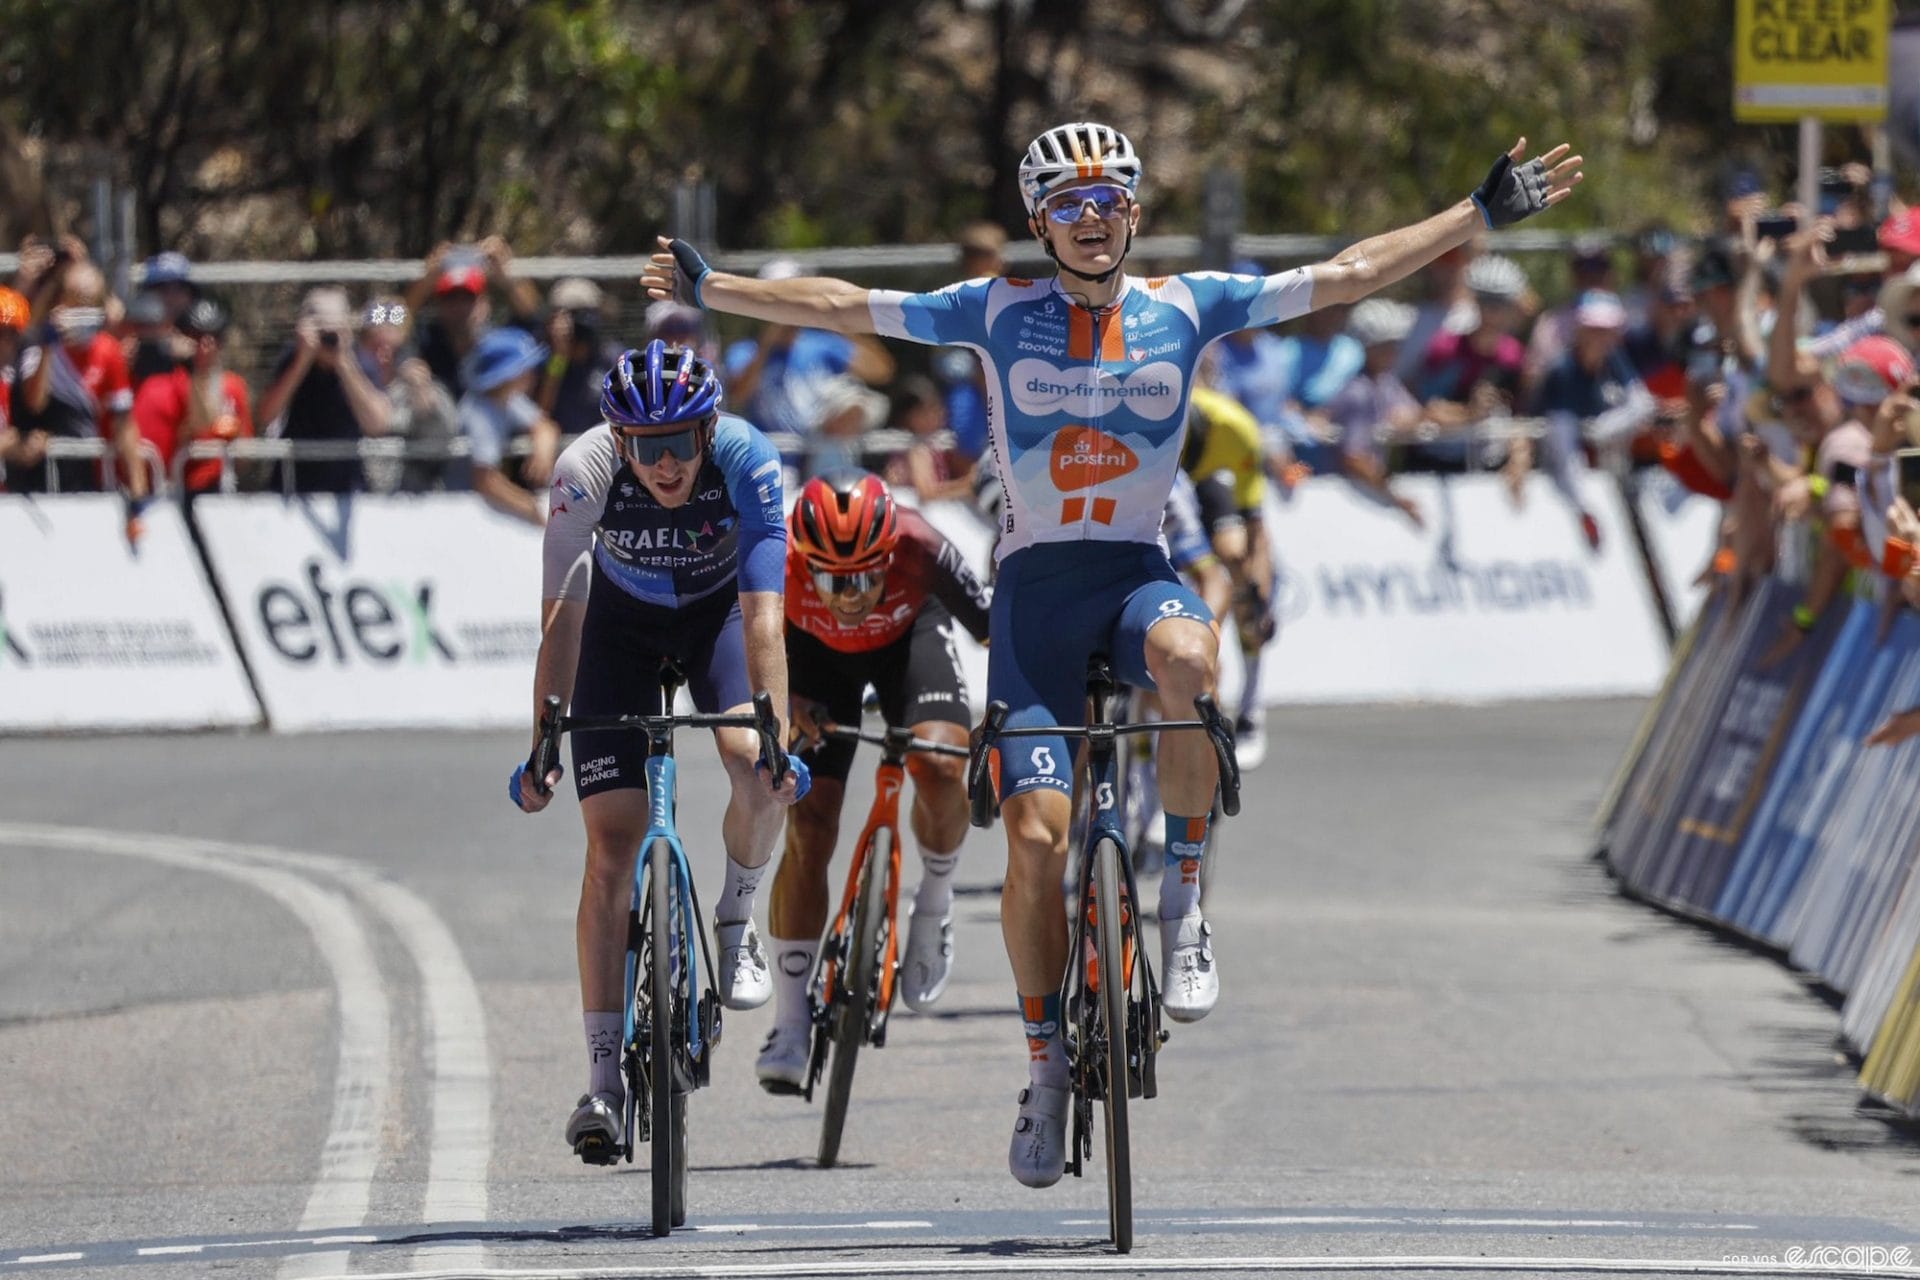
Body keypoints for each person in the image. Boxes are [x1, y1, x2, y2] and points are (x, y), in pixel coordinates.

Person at [643, 121, 1582, 1188]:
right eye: (1069, 205)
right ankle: (1043, 1071)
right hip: (1038, 597)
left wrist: (1476, 214)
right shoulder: (994, 311)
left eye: (1110, 201)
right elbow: (842, 306)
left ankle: (1183, 909)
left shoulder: (1186, 307)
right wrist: (715, 289)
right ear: (1040, 222)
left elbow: (1346, 274)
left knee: (1190, 657)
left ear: (1133, 211)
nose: (1092, 220)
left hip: (1137, 571)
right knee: (1037, 847)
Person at [511, 340, 809, 1164]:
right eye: (646, 446)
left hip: (717, 618)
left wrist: (777, 735)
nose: (666, 462)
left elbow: (763, 619)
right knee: (611, 846)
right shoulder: (584, 468)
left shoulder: (748, 458)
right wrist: (544, 741)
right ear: (619, 439)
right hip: (619, 627)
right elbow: (563, 618)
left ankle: (737, 916)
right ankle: (603, 1078)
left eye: (681, 442)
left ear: (710, 429)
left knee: (754, 767)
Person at [756, 471, 992, 1093]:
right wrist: (781, 699)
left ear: (891, 552)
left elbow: (996, 628)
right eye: (833, 579)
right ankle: (789, 1018)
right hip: (812, 659)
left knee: (942, 766)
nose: (851, 594)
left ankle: (934, 902)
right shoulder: (771, 555)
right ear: (805, 562)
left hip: (909, 637)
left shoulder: (920, 542)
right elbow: (735, 648)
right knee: (809, 822)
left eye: (865, 575)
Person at [1180, 385, 1280, 765]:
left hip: (1209, 481)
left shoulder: (1235, 428)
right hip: (1159, 481)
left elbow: (1255, 525)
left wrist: (1258, 593)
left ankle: (1251, 709)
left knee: (1236, 558)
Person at [11, 256, 146, 524]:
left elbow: (124, 423)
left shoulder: (108, 352)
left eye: (90, 302)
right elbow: (34, 403)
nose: (82, 310)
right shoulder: (37, 348)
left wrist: (138, 490)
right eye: (75, 300)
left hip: (90, 477)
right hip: (41, 480)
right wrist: (48, 347)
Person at [254, 287, 392, 493]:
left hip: (347, 484)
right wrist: (302, 361)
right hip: (293, 484)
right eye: (323, 329)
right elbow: (265, 416)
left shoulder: (361, 361)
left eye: (334, 328)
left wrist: (343, 363)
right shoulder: (293, 358)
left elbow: (378, 424)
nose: (328, 337)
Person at [130, 297, 252, 494]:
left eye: (215, 336)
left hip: (215, 486)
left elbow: (244, 454)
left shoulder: (233, 386)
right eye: (196, 336)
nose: (206, 344)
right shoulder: (165, 380)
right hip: (170, 484)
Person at [1327, 298, 1425, 526]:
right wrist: (1397, 497)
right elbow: (1354, 458)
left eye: (1396, 344)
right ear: (1368, 347)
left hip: (1367, 491)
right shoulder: (1358, 392)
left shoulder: (1386, 382)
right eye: (1386, 345)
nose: (1393, 352)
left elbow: (1416, 415)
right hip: (1347, 501)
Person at [457, 326, 561, 526]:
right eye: (525, 367)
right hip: (461, 509)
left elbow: (544, 425)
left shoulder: (509, 400)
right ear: (507, 375)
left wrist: (543, 450)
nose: (532, 374)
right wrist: (534, 510)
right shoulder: (478, 411)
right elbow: (485, 481)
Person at [537, 277, 618, 434]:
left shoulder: (611, 357)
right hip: (562, 452)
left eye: (588, 313)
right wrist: (560, 355)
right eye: (573, 315)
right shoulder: (549, 359)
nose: (583, 322)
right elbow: (542, 412)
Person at [884, 374, 976, 501]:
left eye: (938, 407)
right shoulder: (914, 447)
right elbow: (927, 494)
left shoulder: (935, 443)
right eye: (929, 410)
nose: (938, 414)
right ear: (910, 417)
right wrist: (969, 485)